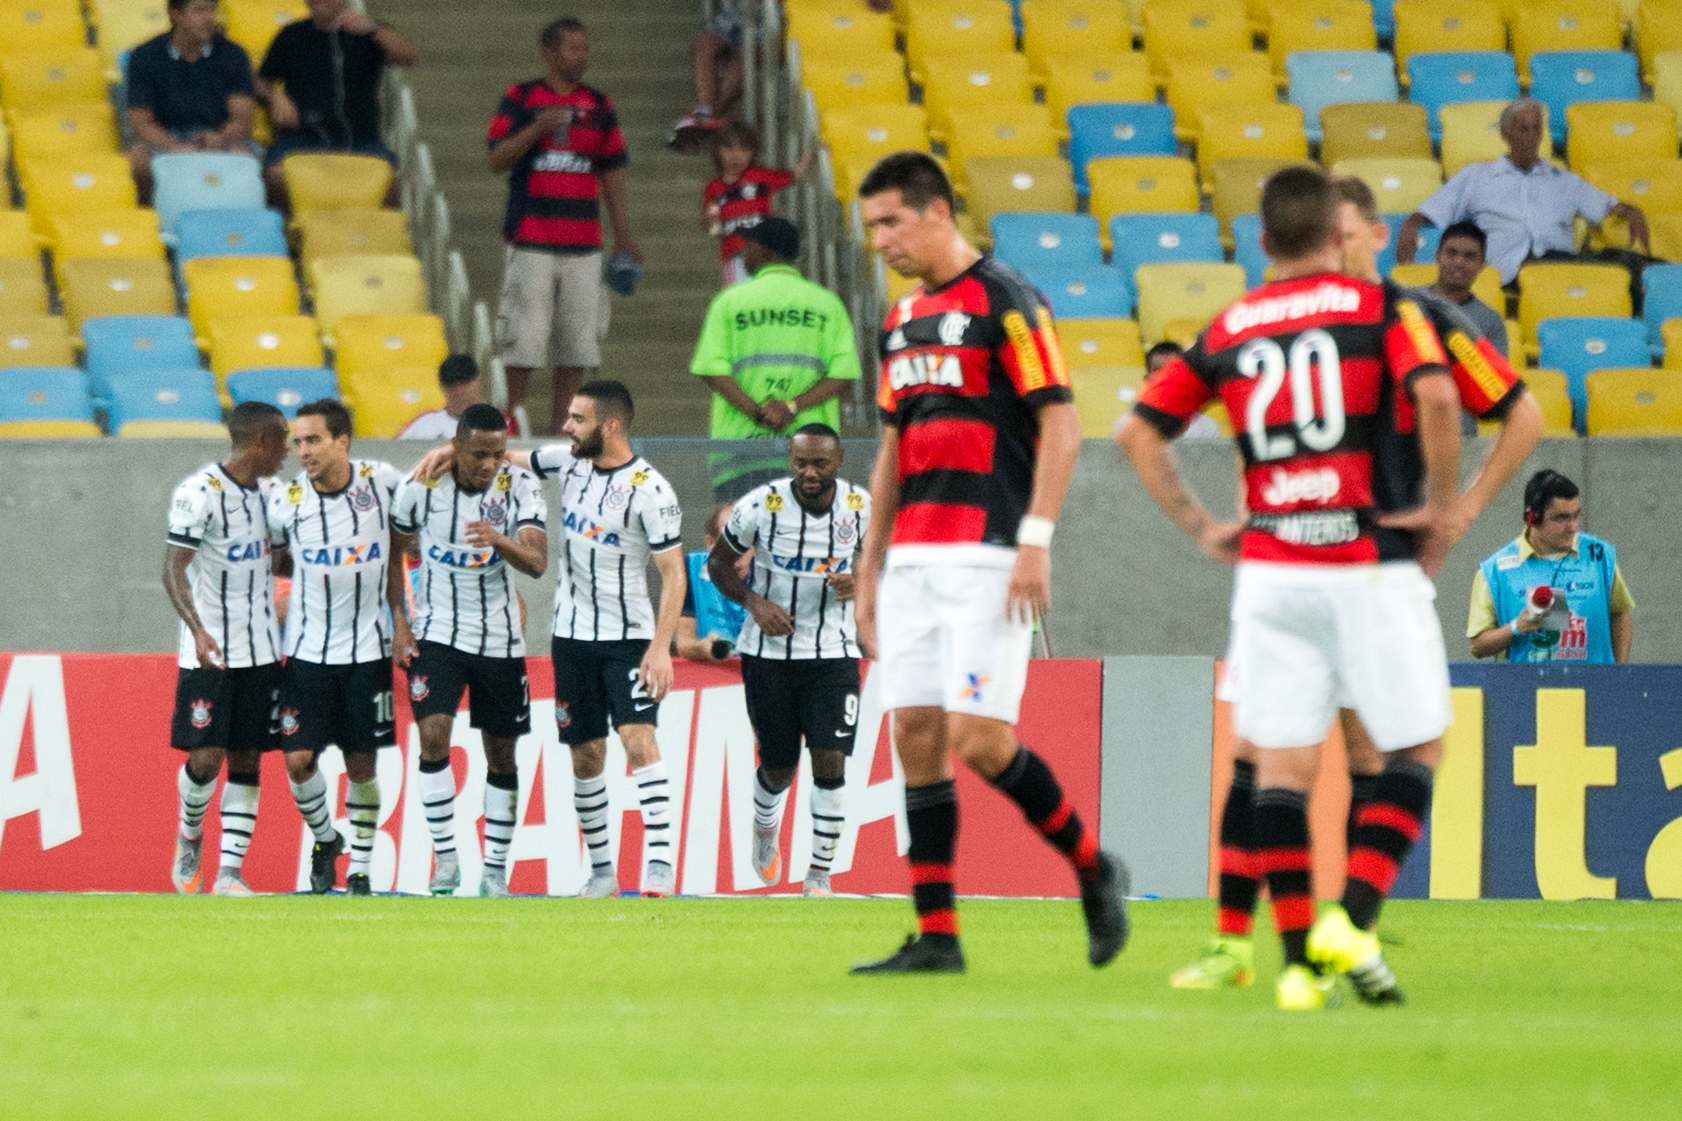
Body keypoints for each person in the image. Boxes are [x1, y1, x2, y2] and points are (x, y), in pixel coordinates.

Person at [1164, 173, 1542, 1000]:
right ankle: (1255, 942)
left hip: (1365, 561)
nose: (1345, 240)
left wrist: (1462, 509)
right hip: (1322, 562)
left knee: (1352, 751)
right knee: (1270, 754)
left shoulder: (1419, 317)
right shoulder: (1332, 322)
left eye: (1355, 226)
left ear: (1371, 231)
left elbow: (1515, 410)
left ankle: (1343, 941)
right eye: (1334, 227)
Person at [1119, 165, 1466, 1010]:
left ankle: (1296, 968)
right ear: (1336, 236)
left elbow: (1138, 430)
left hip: (1271, 570)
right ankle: (1351, 919)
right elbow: (1438, 399)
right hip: (1365, 562)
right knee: (1415, 746)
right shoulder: (1381, 310)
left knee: (1276, 766)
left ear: (1265, 242)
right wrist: (1438, 509)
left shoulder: (1231, 324)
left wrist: (1206, 526)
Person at [849, 151, 1127, 975]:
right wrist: (869, 568)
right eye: (872, 228)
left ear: (937, 211)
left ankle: (1091, 865)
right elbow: (893, 448)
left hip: (987, 553)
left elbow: (1063, 424)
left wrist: (1035, 539)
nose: (882, 240)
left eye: (892, 221)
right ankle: (937, 934)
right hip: (913, 562)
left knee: (979, 739)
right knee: (916, 732)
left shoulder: (1008, 300)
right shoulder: (899, 321)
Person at [425, 381, 684, 897]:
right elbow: (508, 456)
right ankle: (603, 871)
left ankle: (658, 864)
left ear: (609, 427)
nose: (566, 426)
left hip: (627, 638)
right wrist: (446, 451)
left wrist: (660, 646)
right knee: (585, 756)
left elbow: (673, 573)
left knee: (638, 741)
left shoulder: (652, 489)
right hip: (569, 637)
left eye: (577, 419)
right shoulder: (567, 462)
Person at [390, 404, 548, 898]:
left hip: (500, 639)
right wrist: (399, 621)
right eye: (479, 454)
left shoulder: (520, 487)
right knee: (433, 735)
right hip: (436, 632)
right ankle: (446, 858)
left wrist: (498, 539)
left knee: (501, 754)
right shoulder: (421, 486)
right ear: (455, 447)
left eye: (498, 454)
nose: (489, 464)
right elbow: (394, 549)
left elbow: (537, 562)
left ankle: (496, 870)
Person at [706, 424, 870, 897]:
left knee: (830, 759)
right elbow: (716, 565)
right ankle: (765, 829)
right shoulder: (761, 505)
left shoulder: (860, 507)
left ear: (839, 459)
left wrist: (861, 582)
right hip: (769, 654)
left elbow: (888, 563)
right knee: (778, 766)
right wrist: (755, 603)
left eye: (819, 463)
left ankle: (819, 874)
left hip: (833, 654)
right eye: (800, 463)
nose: (809, 473)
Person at [268, 399, 415, 895]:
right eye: (298, 442)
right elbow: (265, 563)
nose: (302, 451)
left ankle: (361, 868)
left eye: (313, 440)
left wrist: (401, 621)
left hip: (367, 651)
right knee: (297, 760)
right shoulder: (286, 500)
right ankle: (327, 838)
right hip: (307, 652)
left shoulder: (382, 482)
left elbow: (402, 549)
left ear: (342, 441)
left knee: (362, 764)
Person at [488, 17, 640, 436]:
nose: (581, 57)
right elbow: (496, 158)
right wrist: (536, 128)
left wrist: (624, 234)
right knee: (523, 336)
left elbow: (612, 169)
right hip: (531, 236)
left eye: (585, 49)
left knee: (577, 343)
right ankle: (512, 421)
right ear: (549, 52)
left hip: (585, 241)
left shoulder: (600, 104)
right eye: (573, 48)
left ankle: (563, 429)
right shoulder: (520, 97)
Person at [163, 402, 291, 896]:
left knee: (247, 757)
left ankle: (231, 872)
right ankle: (190, 831)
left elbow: (282, 555)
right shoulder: (200, 494)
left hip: (261, 650)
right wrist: (196, 629)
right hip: (211, 649)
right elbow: (173, 568)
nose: (287, 452)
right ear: (260, 441)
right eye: (281, 441)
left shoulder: (275, 497)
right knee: (207, 757)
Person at [1396, 98, 1650, 286]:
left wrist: (1630, 209)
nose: (1531, 137)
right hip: (1508, 267)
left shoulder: (1562, 179)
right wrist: (1411, 224)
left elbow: (1605, 205)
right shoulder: (1478, 176)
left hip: (1562, 264)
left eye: (1536, 129)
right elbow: (1436, 207)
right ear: (1506, 134)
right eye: (1522, 129)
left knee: (1627, 263)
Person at [690, 218, 861, 438]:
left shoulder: (729, 302)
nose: (743, 253)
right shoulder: (828, 304)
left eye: (749, 245)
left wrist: (759, 415)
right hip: (812, 450)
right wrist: (789, 407)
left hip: (739, 447)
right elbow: (843, 376)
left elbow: (712, 371)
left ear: (764, 252)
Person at [254, 0, 418, 206]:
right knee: (274, 178)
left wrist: (374, 29)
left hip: (361, 140)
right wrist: (274, 96)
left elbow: (408, 56)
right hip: (303, 138)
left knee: (393, 185)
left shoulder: (369, 34)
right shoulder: (291, 35)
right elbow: (259, 82)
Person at [1468, 469, 1634, 664]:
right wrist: (1515, 627)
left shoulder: (1599, 556)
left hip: (1595, 687)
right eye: (1561, 518)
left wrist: (1620, 673)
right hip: (1529, 689)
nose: (1572, 526)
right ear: (1532, 519)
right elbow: (1478, 646)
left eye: (1575, 516)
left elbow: (1620, 613)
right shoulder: (1495, 571)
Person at [125, 0, 259, 204]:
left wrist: (220, 139)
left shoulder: (234, 54)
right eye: (199, 11)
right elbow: (141, 124)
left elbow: (243, 122)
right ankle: (150, 224)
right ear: (176, 14)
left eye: (212, 10)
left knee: (246, 157)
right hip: (166, 137)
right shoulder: (145, 56)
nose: (209, 18)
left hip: (218, 136)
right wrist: (173, 146)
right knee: (138, 161)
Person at [702, 122, 814, 285]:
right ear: (717, 151)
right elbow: (707, 222)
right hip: (733, 254)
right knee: (738, 296)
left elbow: (793, 176)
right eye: (728, 148)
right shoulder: (713, 187)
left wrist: (809, 155)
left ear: (753, 153)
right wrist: (711, 220)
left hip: (763, 253)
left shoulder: (761, 176)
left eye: (744, 149)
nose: (736, 155)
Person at [675, 502, 745, 665]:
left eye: (746, 544)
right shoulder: (692, 568)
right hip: (716, 677)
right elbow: (683, 644)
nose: (737, 555)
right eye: (727, 545)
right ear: (710, 543)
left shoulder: (774, 573)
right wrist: (702, 648)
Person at [1430, 221, 1508, 358]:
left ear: (1482, 265)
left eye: (1469, 257)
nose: (1459, 262)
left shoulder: (1491, 321)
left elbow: (1496, 376)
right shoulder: (1407, 302)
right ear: (1437, 256)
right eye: (1451, 253)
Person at [396, 355, 518, 440]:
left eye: (465, 383)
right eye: (451, 385)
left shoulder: (502, 422)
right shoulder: (424, 422)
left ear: (479, 380)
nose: (459, 391)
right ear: (442, 387)